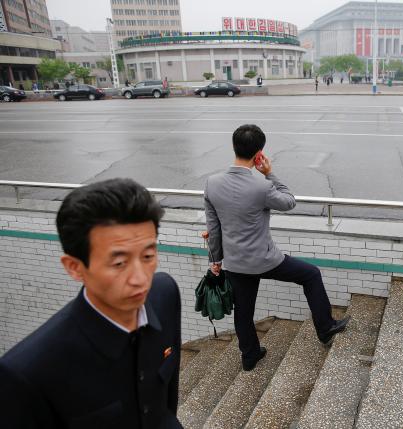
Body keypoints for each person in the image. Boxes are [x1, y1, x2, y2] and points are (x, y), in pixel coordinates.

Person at [0, 178, 183, 429]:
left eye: (148, 256)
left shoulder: (165, 295)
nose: (140, 279)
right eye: (119, 263)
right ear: (75, 267)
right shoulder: (28, 373)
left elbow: (166, 405)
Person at [203, 124, 350, 371]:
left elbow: (213, 227)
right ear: (259, 153)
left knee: (243, 313)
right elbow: (289, 202)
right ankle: (324, 328)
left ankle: (250, 357)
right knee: (311, 275)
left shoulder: (212, 183)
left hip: (236, 264)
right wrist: (270, 174)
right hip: (266, 260)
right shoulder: (261, 186)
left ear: (234, 147)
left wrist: (216, 261)